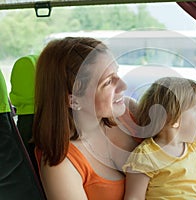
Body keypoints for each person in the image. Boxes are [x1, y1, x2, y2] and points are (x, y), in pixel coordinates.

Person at [32, 37, 140, 200]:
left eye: (117, 73)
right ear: (74, 100)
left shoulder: (128, 112)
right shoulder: (60, 163)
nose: (123, 86)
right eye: (108, 82)